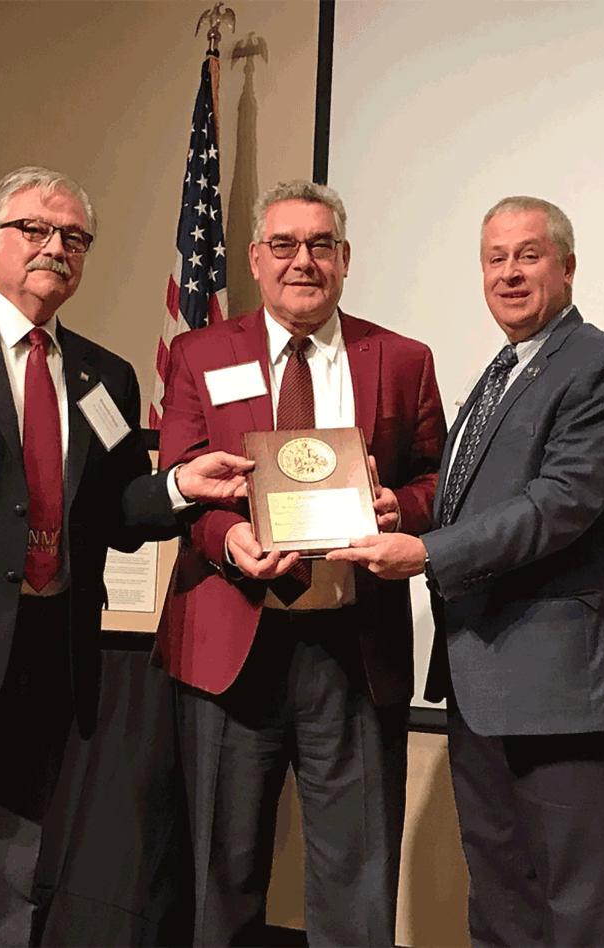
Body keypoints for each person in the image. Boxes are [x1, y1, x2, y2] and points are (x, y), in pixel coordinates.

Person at [0, 165, 254, 947]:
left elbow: (121, 511)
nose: (54, 246)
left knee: (15, 884)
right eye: (35, 228)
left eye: (74, 237)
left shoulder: (106, 376)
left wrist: (182, 485)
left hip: (48, 656)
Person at [329, 196, 604, 946]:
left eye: (529, 255)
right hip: (481, 686)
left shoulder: (603, 365)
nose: (509, 273)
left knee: (580, 913)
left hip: (565, 693)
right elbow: (472, 504)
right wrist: (399, 517)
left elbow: (558, 505)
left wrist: (427, 553)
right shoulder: (500, 373)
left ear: (567, 267)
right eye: (495, 258)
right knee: (502, 903)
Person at [154, 180, 446, 946]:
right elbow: (181, 477)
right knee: (222, 874)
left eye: (321, 245)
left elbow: (438, 478)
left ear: (345, 259)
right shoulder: (198, 353)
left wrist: (401, 511)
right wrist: (227, 540)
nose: (303, 261)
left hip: (352, 650)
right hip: (229, 645)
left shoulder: (402, 359)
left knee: (356, 878)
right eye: (283, 245)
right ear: (254, 259)